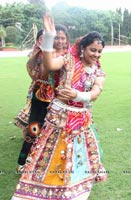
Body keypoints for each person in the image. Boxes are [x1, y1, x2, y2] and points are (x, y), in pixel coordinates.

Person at [11, 14, 107, 200]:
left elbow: (96, 92)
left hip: (81, 120)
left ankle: (72, 187)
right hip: (59, 118)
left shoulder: (98, 71)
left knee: (76, 156)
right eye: (92, 50)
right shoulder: (67, 61)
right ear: (82, 48)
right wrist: (49, 36)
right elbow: (48, 64)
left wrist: (78, 95)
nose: (95, 54)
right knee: (51, 154)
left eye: (99, 51)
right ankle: (43, 187)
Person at [15, 24, 70, 173]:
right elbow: (45, 71)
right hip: (42, 95)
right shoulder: (43, 53)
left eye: (62, 38)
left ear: (67, 40)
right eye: (56, 38)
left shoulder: (70, 54)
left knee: (60, 130)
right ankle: (23, 162)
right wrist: (51, 55)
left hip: (62, 98)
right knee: (34, 128)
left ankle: (55, 164)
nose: (59, 41)